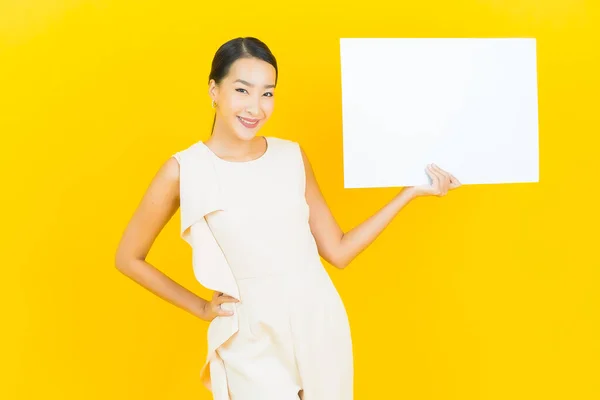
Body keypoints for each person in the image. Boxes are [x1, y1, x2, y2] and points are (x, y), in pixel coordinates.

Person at [115, 36, 461, 400]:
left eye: (267, 93)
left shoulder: (291, 156)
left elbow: (339, 252)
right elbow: (128, 257)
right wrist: (201, 307)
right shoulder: (184, 170)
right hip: (249, 333)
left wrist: (409, 193)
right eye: (242, 90)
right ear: (214, 90)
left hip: (319, 319)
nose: (256, 107)